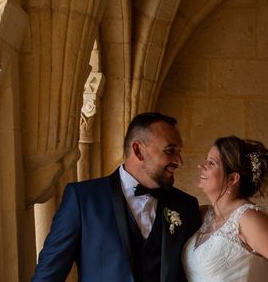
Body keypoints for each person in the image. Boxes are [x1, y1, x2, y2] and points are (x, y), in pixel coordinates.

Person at [32, 112, 201, 282]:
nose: (179, 161)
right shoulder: (82, 199)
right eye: (170, 151)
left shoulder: (186, 205)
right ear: (138, 151)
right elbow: (48, 276)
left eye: (179, 152)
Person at [182, 136, 268, 282]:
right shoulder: (204, 214)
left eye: (211, 163)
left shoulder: (247, 218)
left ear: (233, 179)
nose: (202, 166)